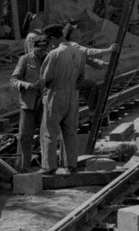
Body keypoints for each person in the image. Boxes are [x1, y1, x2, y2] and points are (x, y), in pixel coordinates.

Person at [38, 23, 86, 175]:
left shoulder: (54, 54)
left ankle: (49, 166)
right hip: (73, 95)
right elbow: (82, 77)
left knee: (49, 131)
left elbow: (46, 78)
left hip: (56, 94)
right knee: (70, 131)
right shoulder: (78, 52)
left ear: (52, 38)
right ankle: (71, 165)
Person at [10, 33, 49, 172]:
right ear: (34, 47)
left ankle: (47, 166)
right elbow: (14, 80)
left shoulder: (51, 58)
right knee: (25, 136)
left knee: (47, 136)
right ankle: (24, 167)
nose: (41, 52)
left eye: (44, 49)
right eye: (39, 49)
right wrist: (27, 85)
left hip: (46, 104)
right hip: (29, 104)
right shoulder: (25, 59)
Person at [62, 21, 118, 118]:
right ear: (72, 34)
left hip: (69, 80)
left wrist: (105, 65)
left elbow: (89, 60)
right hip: (68, 81)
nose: (80, 31)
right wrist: (108, 50)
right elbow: (88, 52)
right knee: (91, 87)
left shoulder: (73, 46)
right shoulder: (72, 45)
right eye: (77, 30)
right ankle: (94, 112)